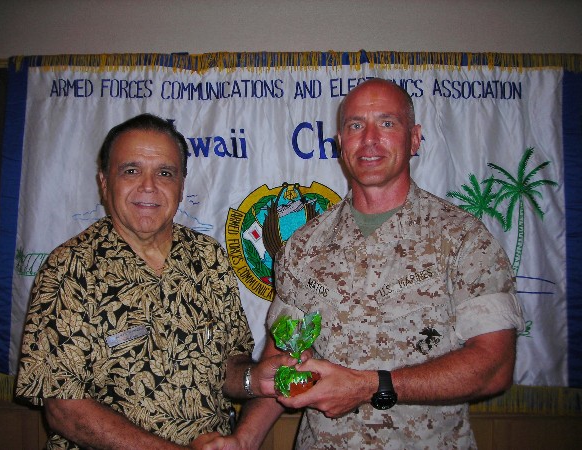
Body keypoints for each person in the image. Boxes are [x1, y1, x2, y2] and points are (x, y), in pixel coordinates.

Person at [205, 78, 524, 449]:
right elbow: (283, 360)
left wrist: (371, 386)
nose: (369, 139)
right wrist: (244, 440)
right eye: (356, 125)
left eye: (387, 123)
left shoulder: (462, 240)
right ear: (340, 143)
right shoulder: (302, 247)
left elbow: (495, 367)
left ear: (415, 138)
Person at [15, 113, 299, 449]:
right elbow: (64, 408)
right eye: (131, 170)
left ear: (181, 186)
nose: (149, 186)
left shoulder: (209, 258)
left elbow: (228, 364)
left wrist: (254, 379)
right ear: (104, 183)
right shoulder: (68, 270)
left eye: (165, 173)